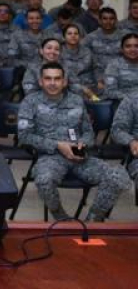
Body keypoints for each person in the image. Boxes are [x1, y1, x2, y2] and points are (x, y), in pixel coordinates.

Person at [18, 63, 130, 222]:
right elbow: (24, 136)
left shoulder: (76, 101)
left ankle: (93, 219)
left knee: (119, 176)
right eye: (48, 78)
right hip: (50, 158)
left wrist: (82, 144)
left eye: (57, 79)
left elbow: (88, 132)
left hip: (80, 158)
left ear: (64, 81)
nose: (52, 83)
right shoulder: (30, 102)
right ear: (41, 81)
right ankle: (62, 219)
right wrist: (58, 145)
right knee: (44, 180)